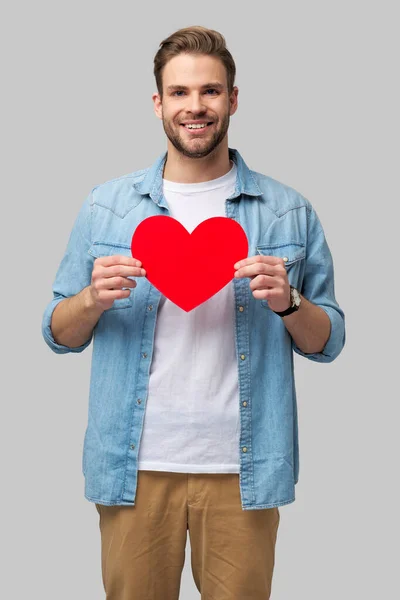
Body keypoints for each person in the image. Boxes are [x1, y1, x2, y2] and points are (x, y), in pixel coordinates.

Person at [42, 25, 345, 600]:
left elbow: (328, 340)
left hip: (243, 469)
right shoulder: (106, 206)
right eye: (179, 92)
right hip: (133, 466)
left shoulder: (287, 211)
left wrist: (289, 301)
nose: (195, 106)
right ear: (158, 103)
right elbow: (57, 332)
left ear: (233, 99)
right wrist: (90, 299)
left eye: (210, 91)